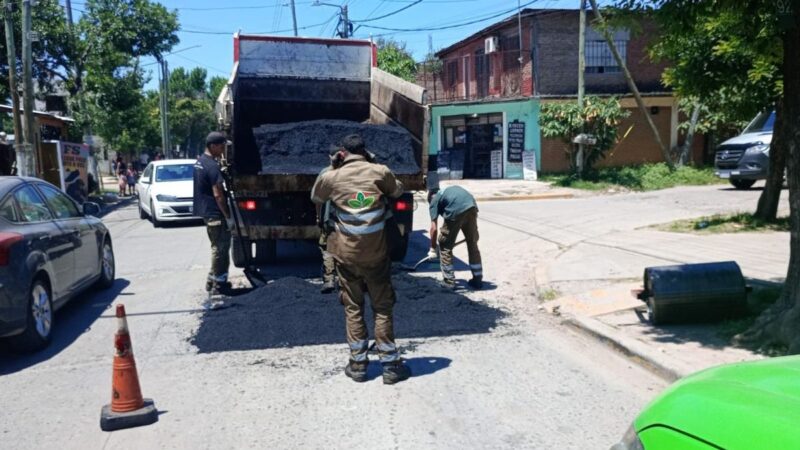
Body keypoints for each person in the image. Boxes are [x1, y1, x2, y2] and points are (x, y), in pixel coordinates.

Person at [311, 134, 411, 385]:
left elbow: (316, 197)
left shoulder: (331, 177)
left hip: (346, 257)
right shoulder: (380, 171)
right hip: (377, 256)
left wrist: (333, 166)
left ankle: (357, 365)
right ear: (365, 151)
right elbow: (398, 190)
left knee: (353, 307)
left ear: (342, 153)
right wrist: (374, 164)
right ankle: (390, 366)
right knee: (382, 307)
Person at [193, 132, 234, 296]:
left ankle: (212, 280)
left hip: (207, 211)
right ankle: (219, 284)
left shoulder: (200, 162)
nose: (223, 150)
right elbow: (218, 194)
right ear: (213, 146)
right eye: (222, 146)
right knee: (221, 248)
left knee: (217, 246)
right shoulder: (211, 166)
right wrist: (228, 216)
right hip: (215, 213)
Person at [428, 185, 483, 290]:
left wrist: (433, 248)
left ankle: (449, 281)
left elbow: (433, 228)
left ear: (430, 198)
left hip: (456, 210)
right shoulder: (447, 191)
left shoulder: (434, 200)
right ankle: (477, 280)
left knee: (444, 245)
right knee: (472, 243)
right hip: (471, 206)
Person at [317, 146, 340, 294]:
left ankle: (329, 279)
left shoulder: (325, 173)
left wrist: (319, 216)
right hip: (350, 218)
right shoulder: (352, 172)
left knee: (327, 248)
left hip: (330, 218)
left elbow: (317, 199)